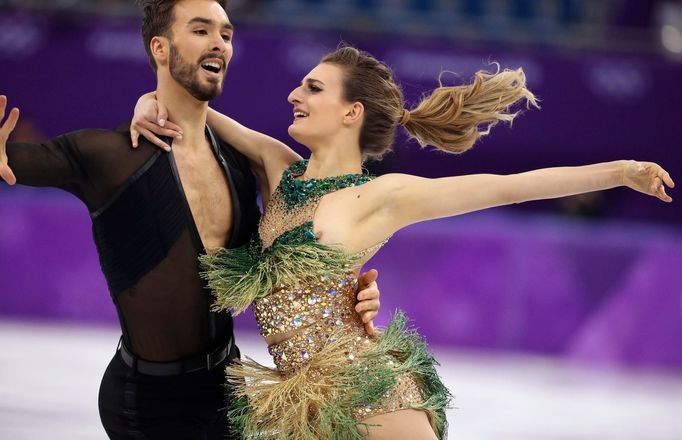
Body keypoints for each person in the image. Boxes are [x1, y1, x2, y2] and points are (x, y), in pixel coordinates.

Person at [132, 46, 674, 439]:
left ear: (351, 112)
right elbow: (187, 113)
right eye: (301, 85)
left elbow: (508, 187)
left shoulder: (385, 195)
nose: (295, 94)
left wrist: (620, 171)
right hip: (301, 402)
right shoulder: (279, 168)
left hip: (369, 394)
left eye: (314, 88)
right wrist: (144, 103)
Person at [0, 1, 382, 438]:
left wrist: (354, 290)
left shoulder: (244, 163)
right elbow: (17, 160)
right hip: (145, 402)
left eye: (226, 33)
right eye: (201, 30)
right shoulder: (108, 156)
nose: (219, 43)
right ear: (160, 48)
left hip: (229, 388)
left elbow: (324, 231)